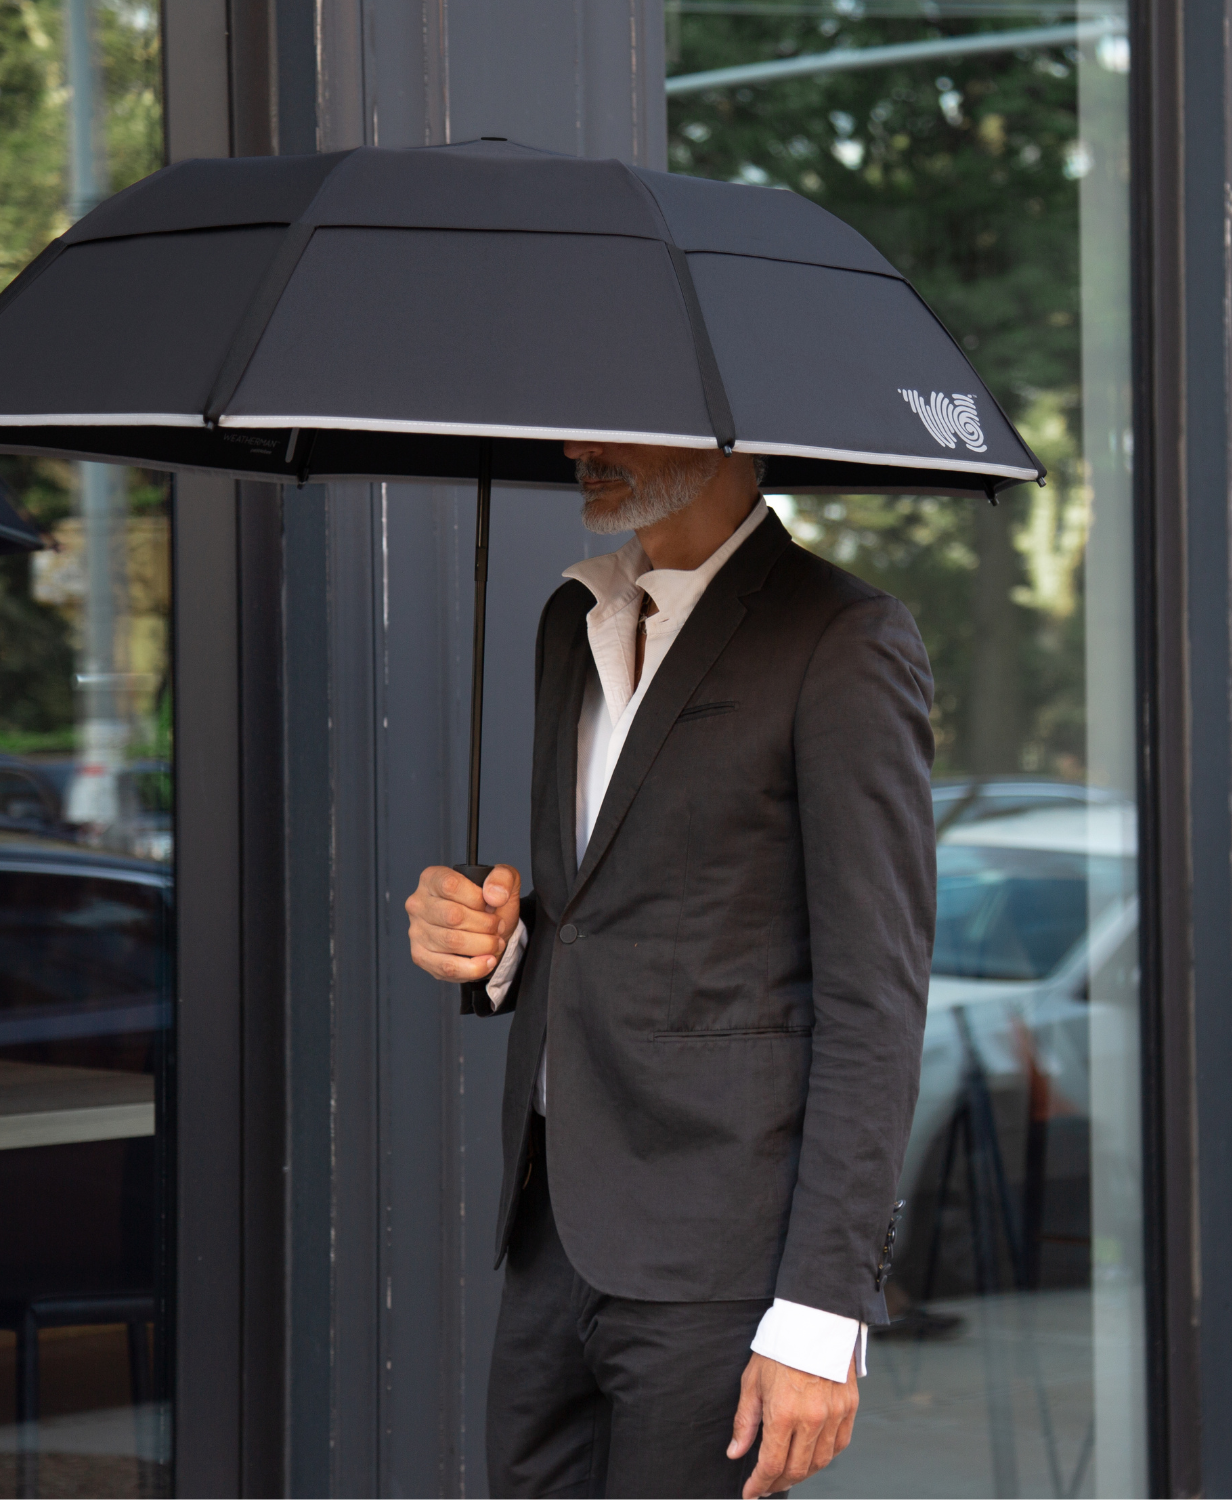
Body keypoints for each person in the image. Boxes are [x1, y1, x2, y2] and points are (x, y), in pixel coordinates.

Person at [406, 440, 936, 1499]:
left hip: (720, 1257)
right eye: (574, 415)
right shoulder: (572, 619)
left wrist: (824, 1315)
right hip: (554, 1226)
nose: (577, 444)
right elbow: (605, 910)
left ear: (732, 425)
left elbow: (874, 1000)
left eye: (620, 412)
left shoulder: (842, 638)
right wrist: (493, 945)